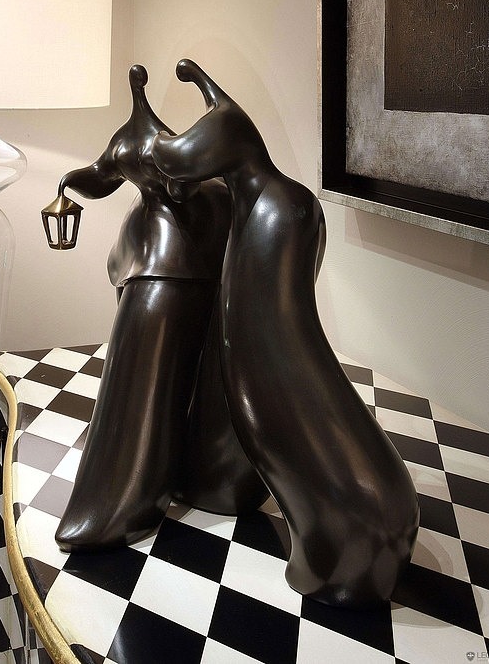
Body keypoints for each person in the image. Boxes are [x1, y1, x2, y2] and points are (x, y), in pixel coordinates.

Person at [152, 60, 419, 606]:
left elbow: (265, 338)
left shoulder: (282, 209)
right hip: (357, 502)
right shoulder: (267, 207)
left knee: (304, 422)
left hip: (364, 529)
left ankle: (341, 541)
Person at [48, 65, 267, 551]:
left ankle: (130, 495)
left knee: (146, 375)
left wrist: (69, 184)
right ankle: (141, 487)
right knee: (146, 377)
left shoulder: (148, 143)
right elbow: (102, 177)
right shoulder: (139, 142)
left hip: (170, 263)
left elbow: (108, 177)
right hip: (161, 260)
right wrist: (66, 182)